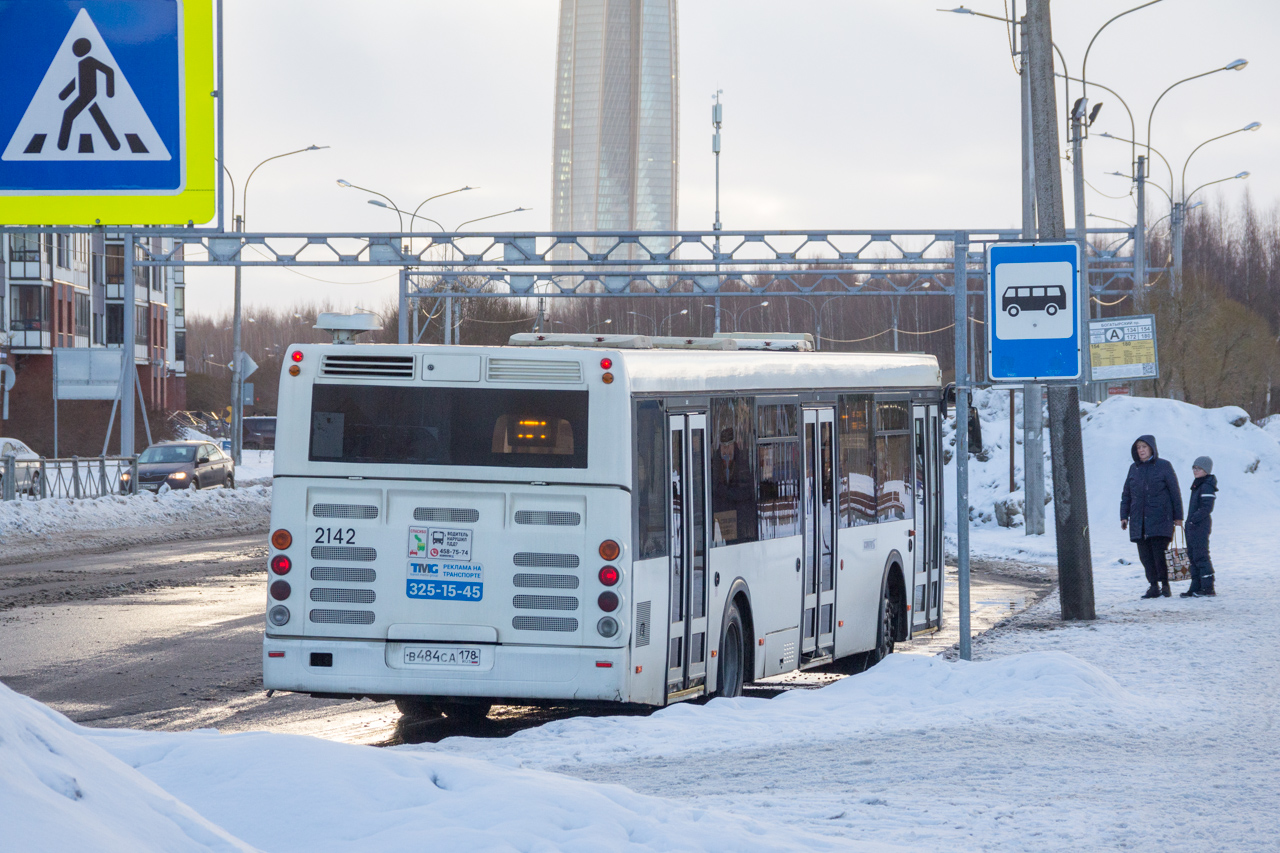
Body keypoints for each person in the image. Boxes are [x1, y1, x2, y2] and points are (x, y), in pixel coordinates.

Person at [1120, 434, 1183, 599]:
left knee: (1159, 554)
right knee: (1145, 556)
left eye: (1144, 447)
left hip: (1160, 518)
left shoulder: (1164, 466)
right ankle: (1153, 586)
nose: (1141, 450)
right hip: (1139, 520)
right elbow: (1126, 494)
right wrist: (1123, 515)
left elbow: (1175, 492)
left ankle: (1165, 585)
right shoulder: (1134, 468)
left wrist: (1178, 517)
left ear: (1152, 448)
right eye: (1138, 447)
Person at [1180, 456, 1217, 598]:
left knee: (1201, 555)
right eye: (1194, 468)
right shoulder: (1198, 483)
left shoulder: (1206, 485)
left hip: (1200, 526)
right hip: (1193, 525)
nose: (1195, 471)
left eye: (1199, 468)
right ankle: (1196, 586)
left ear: (1206, 470)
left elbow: (1206, 507)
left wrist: (1193, 520)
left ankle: (1208, 587)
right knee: (1193, 555)